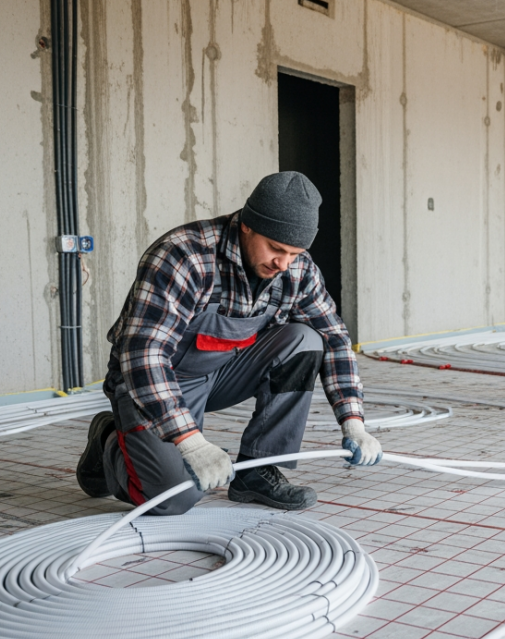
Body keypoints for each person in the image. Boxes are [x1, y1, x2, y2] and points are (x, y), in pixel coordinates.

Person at [75, 171, 382, 515]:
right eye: (276, 249)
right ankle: (107, 442)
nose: (283, 264)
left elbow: (335, 338)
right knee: (173, 499)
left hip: (219, 372)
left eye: (295, 253)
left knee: (306, 339)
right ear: (247, 225)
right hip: (154, 381)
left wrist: (353, 422)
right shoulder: (185, 255)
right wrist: (190, 442)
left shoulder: (297, 270)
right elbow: (143, 354)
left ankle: (256, 471)